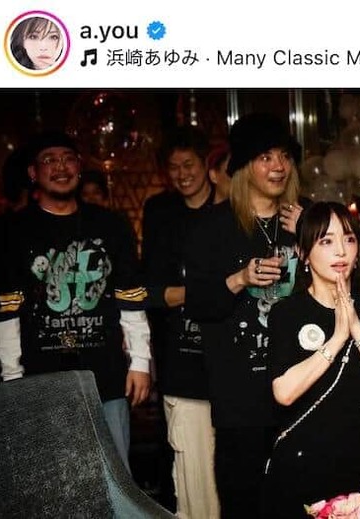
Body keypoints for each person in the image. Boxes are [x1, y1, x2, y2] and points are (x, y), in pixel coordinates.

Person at [0, 131, 151, 470]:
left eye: (67, 159)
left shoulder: (111, 224)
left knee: (115, 479)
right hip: (39, 381)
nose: (60, 167)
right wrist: (12, 377)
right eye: (49, 160)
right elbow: (7, 310)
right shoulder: (12, 231)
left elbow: (131, 298)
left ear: (79, 167)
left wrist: (140, 362)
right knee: (52, 480)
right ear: (33, 172)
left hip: (105, 377)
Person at [185, 112, 305, 518]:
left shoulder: (304, 220)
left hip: (302, 393)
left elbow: (345, 289)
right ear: (243, 167)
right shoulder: (212, 229)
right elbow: (199, 304)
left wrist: (312, 234)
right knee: (245, 506)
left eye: (284, 156)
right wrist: (239, 279)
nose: (278, 166)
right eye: (265, 157)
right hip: (241, 403)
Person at [260, 201, 360, 518]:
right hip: (301, 466)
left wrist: (356, 328)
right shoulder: (287, 313)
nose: (341, 250)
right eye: (326, 241)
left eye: (349, 239)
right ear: (303, 253)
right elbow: (283, 392)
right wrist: (337, 338)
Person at [142, 126, 220, 519]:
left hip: (232, 367)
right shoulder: (160, 212)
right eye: (173, 167)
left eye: (188, 164)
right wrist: (211, 290)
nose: (182, 174)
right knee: (192, 478)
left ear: (206, 164)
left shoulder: (228, 208)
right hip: (182, 364)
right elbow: (151, 291)